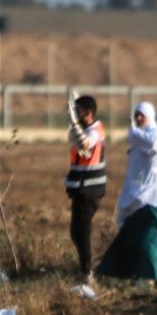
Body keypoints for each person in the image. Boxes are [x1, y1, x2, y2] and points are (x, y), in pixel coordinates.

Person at [97, 102, 157, 285]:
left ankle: (149, 276)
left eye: (141, 115)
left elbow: (153, 144)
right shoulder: (140, 138)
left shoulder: (155, 134)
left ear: (149, 116)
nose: (137, 119)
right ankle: (139, 274)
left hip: (156, 196)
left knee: (149, 238)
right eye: (136, 115)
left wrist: (133, 131)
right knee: (135, 236)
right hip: (141, 196)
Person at [65, 94, 106, 283]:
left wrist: (75, 125)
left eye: (78, 111)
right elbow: (78, 148)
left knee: (81, 231)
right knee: (78, 231)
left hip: (89, 189)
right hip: (82, 189)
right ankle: (86, 268)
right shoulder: (87, 128)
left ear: (88, 113)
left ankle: (87, 272)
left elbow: (85, 144)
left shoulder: (95, 131)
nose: (75, 114)